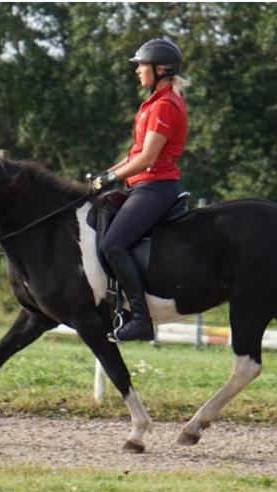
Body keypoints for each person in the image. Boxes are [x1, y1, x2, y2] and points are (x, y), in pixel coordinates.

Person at [90, 38, 189, 342]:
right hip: (143, 185)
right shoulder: (155, 103)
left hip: (155, 187)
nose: (137, 71)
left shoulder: (165, 106)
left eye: (141, 66)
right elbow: (135, 154)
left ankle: (141, 318)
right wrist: (107, 175)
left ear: (161, 69)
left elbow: (147, 159)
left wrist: (109, 179)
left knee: (113, 244)